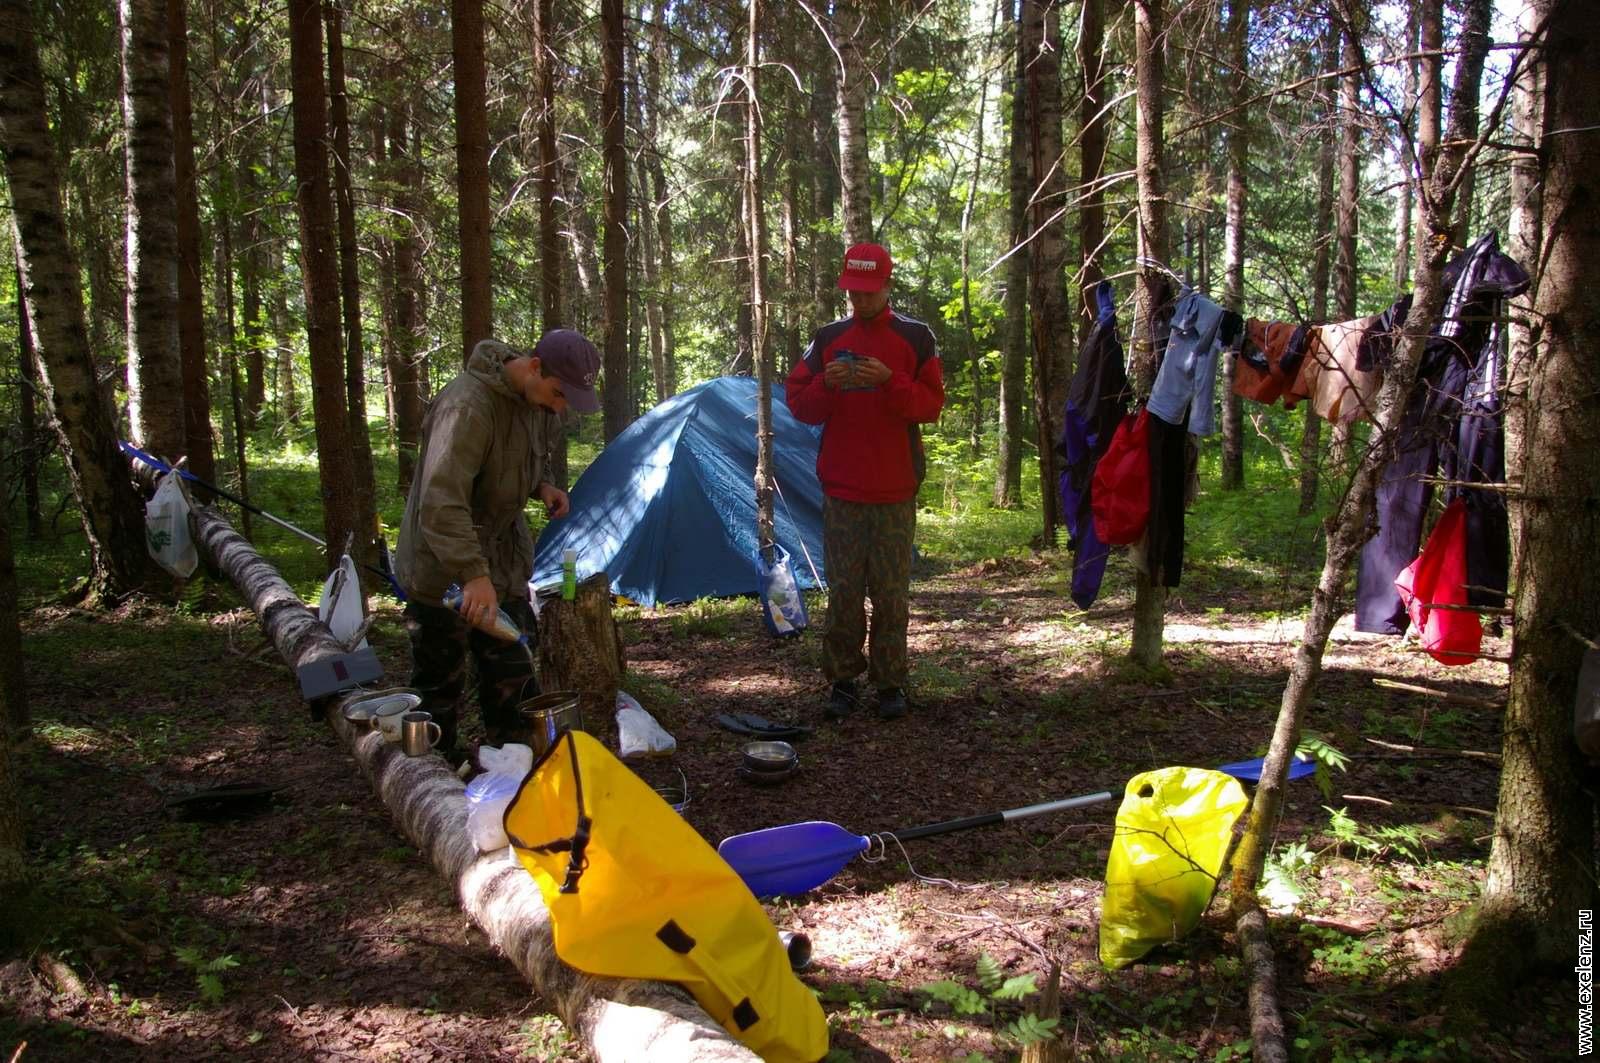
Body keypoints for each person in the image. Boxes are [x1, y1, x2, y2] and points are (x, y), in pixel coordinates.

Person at [395, 330, 601, 757]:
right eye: (558, 394)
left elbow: (504, 465)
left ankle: (513, 776)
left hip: (501, 565)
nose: (559, 408)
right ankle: (434, 793)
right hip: (444, 572)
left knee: (516, 678)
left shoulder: (533, 403)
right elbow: (441, 501)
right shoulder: (466, 406)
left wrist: (541, 486)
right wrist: (472, 574)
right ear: (535, 366)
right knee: (439, 690)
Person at [784, 243, 945, 720]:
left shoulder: (915, 337)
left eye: (870, 291)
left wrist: (889, 380)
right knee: (844, 591)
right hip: (843, 489)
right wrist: (828, 384)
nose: (861, 299)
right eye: (853, 291)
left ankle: (890, 683)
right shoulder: (829, 336)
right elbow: (800, 404)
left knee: (892, 594)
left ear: (887, 285)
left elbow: (931, 405)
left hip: (895, 489)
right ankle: (842, 681)